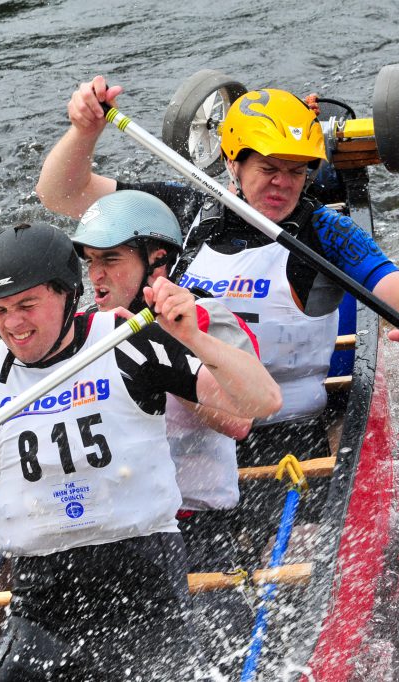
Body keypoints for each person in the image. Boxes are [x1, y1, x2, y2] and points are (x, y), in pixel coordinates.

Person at [37, 78, 399, 557]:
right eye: (269, 168)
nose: (283, 184)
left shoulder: (326, 232)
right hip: (180, 431)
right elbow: (61, 195)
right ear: (233, 163)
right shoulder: (183, 208)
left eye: (297, 171)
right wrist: (84, 131)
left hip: (288, 435)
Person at [0, 223, 281, 681]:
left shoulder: (130, 346)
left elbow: (262, 402)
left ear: (66, 294)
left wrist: (196, 339)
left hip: (147, 581)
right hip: (42, 602)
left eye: (27, 305)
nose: (14, 324)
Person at [72, 189, 263, 677]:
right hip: (108, 530)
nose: (95, 276)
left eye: (110, 260)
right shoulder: (81, 331)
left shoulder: (210, 320)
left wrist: (167, 349)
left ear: (157, 263)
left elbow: (241, 420)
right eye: (91, 261)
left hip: (192, 525)